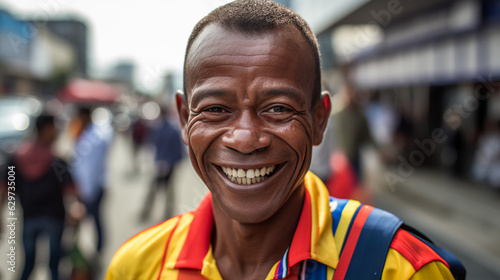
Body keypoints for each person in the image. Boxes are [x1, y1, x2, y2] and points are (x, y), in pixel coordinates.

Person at [106, 1, 465, 279]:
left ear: (320, 120)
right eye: (215, 109)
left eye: (278, 108)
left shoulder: (402, 269)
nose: (245, 139)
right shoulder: (137, 265)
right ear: (185, 118)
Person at [0, 114, 80, 280]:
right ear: (46, 129)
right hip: (54, 218)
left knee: (28, 264)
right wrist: (75, 207)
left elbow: (5, 189)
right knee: (54, 265)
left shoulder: (17, 158)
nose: (57, 131)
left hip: (29, 217)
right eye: (54, 127)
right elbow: (70, 191)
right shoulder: (57, 161)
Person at [71, 107, 113, 255]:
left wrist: (85, 192)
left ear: (84, 116)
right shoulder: (88, 134)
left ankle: (94, 251)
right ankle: (91, 250)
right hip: (89, 187)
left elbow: (91, 169)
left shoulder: (94, 137)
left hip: (91, 188)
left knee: (91, 219)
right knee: (92, 219)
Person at [139, 107, 184, 221]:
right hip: (160, 165)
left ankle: (167, 214)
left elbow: (178, 151)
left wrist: (169, 163)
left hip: (168, 166)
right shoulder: (159, 129)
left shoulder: (171, 130)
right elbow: (153, 146)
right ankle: (146, 213)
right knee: (154, 190)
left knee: (168, 192)